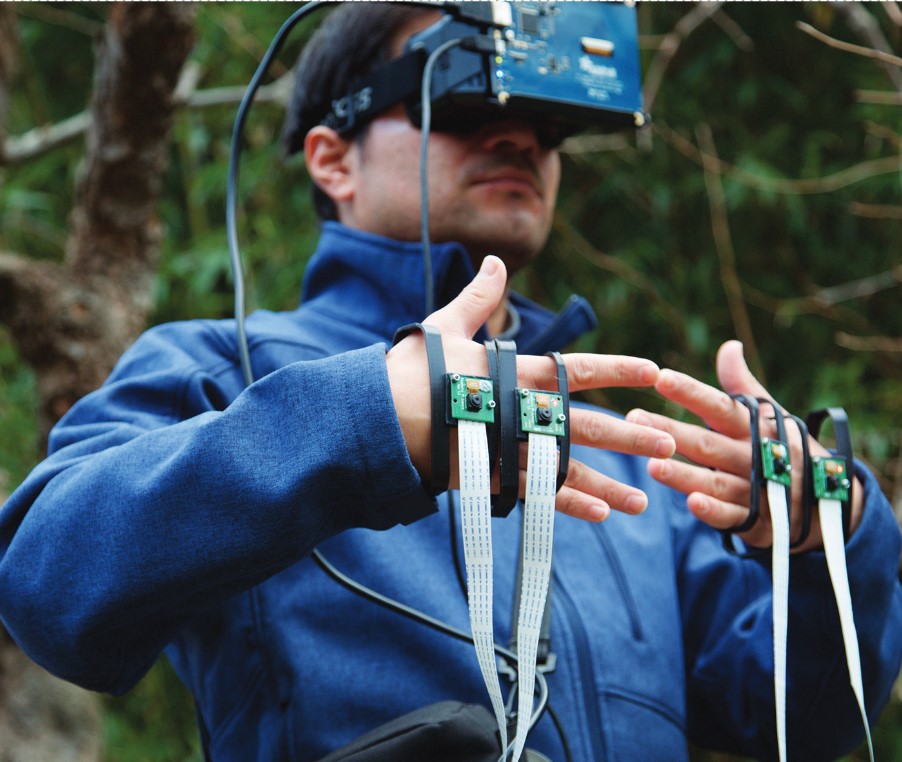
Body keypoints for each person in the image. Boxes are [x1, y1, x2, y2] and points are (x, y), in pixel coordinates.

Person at [1, 4, 900, 761]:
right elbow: (47, 579)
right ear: (332, 159)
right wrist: (365, 423)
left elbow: (794, 720)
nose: (521, 137)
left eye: (551, 122)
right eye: (462, 97)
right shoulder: (220, 367)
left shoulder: (620, 458)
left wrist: (832, 539)